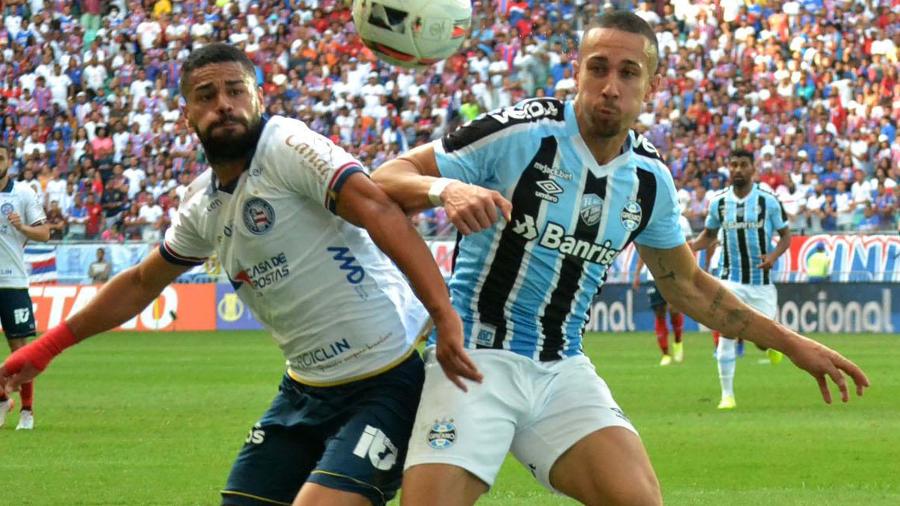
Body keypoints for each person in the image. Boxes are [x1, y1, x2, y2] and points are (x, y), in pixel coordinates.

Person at [371, 12, 868, 506]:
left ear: (650, 86)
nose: (611, 86)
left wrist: (792, 343)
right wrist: (445, 188)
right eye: (598, 68)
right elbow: (384, 179)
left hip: (562, 369)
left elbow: (687, 285)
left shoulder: (649, 179)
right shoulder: (519, 132)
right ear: (578, 71)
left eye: (628, 73)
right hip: (474, 356)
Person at [0, 44, 479, 506]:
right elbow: (143, 283)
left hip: (388, 378)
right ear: (187, 113)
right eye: (207, 96)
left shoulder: (288, 146)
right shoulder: (202, 205)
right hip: (303, 392)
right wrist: (46, 348)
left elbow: (379, 209)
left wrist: (443, 313)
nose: (224, 105)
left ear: (259, 97)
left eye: (236, 91)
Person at [691, 149, 793, 409]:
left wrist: (772, 256)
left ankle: (770, 343)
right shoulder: (719, 202)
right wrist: (688, 246)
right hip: (729, 279)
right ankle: (727, 395)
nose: (737, 169)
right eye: (733, 164)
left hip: (760, 281)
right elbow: (708, 236)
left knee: (762, 339)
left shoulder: (768, 200)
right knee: (725, 332)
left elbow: (786, 236)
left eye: (743, 165)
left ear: (752, 169)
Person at [0, 142, 51, 430]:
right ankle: (1, 401)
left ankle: (27, 411)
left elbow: (44, 233)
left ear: (9, 161)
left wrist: (21, 228)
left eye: (1, 158)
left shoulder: (22, 194)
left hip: (13, 282)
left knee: (20, 349)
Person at [632, 208, 692, 365]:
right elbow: (644, 250)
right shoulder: (650, 221)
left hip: (675, 273)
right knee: (659, 312)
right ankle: (665, 353)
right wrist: (637, 274)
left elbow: (689, 247)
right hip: (653, 274)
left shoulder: (682, 221)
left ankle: (678, 342)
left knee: (674, 309)